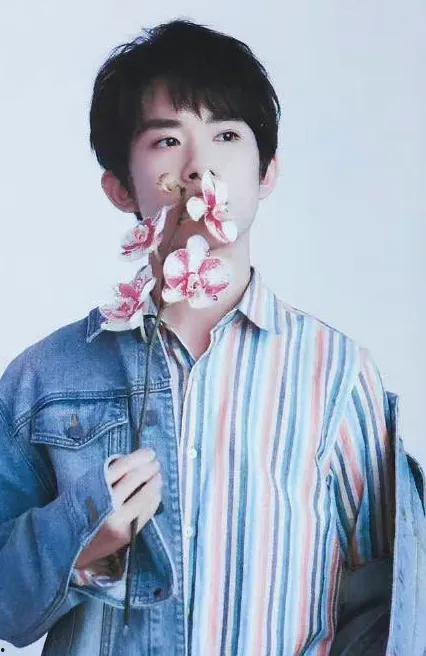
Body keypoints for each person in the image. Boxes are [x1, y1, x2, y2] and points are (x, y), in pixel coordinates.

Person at [0, 18, 425, 656]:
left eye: (226, 135)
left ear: (267, 171)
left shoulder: (336, 374)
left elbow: (382, 611)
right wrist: (81, 542)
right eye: (167, 140)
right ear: (120, 187)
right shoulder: (47, 377)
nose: (199, 168)